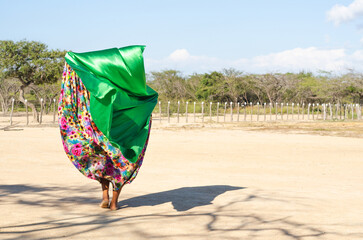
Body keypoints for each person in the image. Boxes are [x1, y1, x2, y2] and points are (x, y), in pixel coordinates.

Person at [58, 46, 158, 210]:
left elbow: (97, 61)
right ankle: (113, 202)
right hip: (124, 133)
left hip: (101, 131)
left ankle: (105, 196)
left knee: (102, 162)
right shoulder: (129, 91)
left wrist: (73, 59)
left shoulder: (101, 86)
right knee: (120, 164)